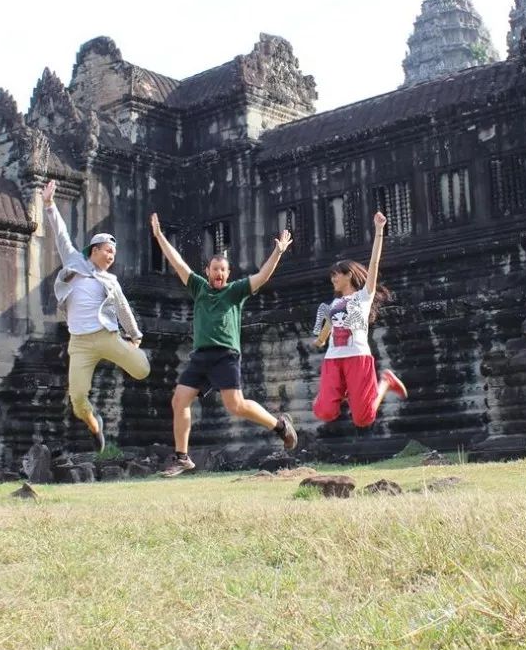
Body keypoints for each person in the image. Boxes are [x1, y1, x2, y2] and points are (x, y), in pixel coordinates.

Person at [150, 212, 298, 476]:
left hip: (225, 356)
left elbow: (262, 276)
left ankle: (280, 426)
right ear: (207, 271)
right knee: (179, 400)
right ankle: (182, 457)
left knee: (235, 406)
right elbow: (178, 262)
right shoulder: (198, 287)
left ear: (228, 274)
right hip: (200, 358)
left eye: (223, 270)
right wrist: (160, 236)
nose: (218, 273)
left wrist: (278, 252)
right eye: (214, 269)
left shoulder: (235, 291)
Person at [42, 180, 149, 452]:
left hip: (106, 336)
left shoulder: (112, 281)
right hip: (79, 342)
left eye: (114, 252)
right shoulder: (74, 263)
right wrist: (49, 205)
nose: (112, 255)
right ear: (94, 250)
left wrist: (134, 335)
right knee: (77, 400)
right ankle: (95, 425)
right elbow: (61, 234)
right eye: (108, 250)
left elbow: (123, 308)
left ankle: (130, 350)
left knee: (142, 370)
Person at [312, 210, 407, 428]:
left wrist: (379, 231)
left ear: (349, 275)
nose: (333, 279)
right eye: (332, 275)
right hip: (333, 359)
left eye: (337, 274)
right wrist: (321, 340)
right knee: (324, 412)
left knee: (364, 419)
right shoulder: (334, 303)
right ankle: (344, 391)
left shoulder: (364, 296)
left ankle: (386, 381)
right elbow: (329, 323)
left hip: (358, 357)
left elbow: (373, 264)